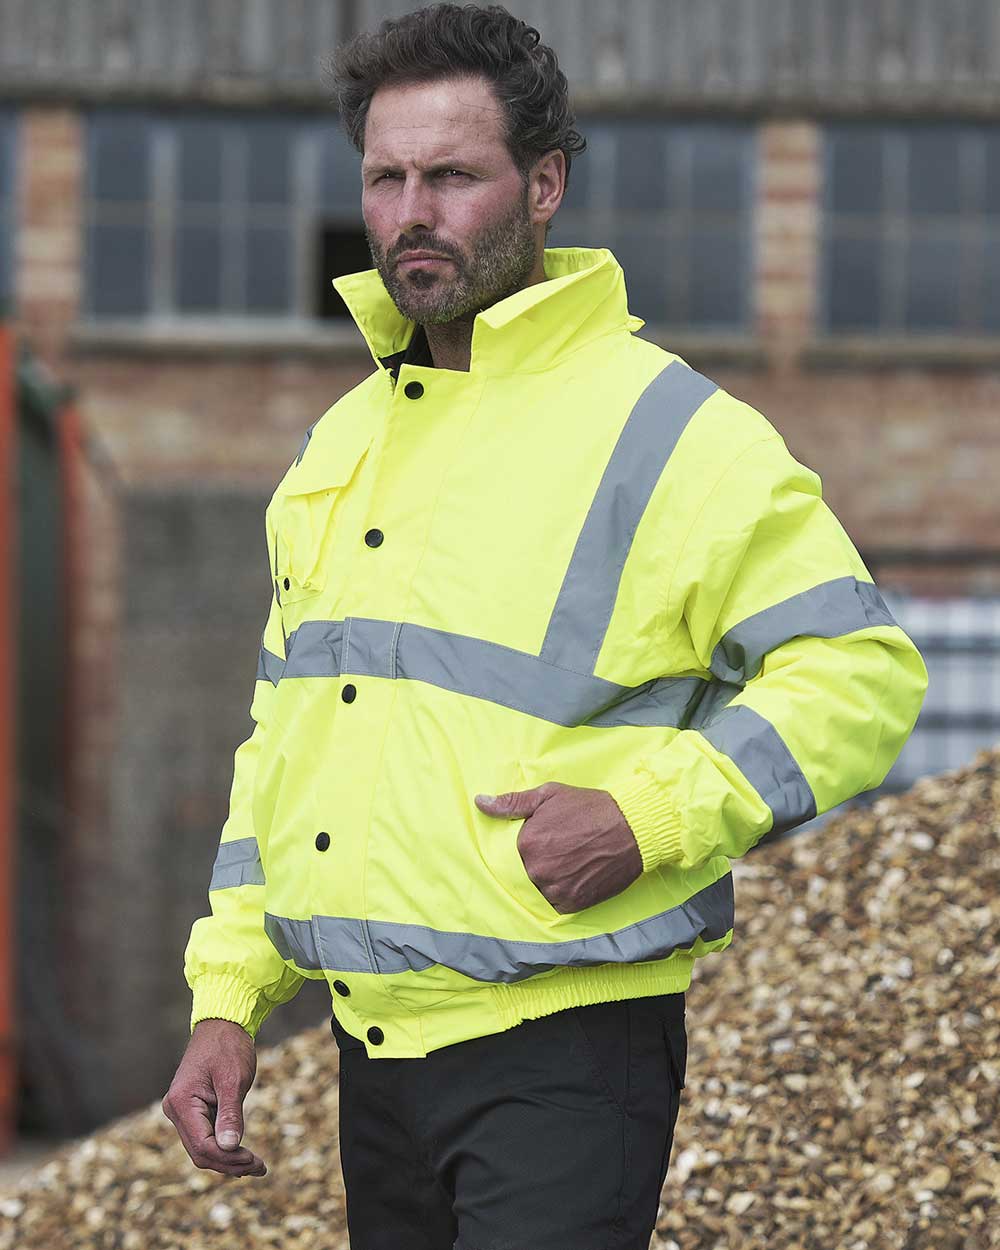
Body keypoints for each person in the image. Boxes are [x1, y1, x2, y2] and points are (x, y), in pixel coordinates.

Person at [162, 5, 928, 1247]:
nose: (413, 211)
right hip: (378, 1059)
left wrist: (650, 815)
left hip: (565, 1054)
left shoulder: (670, 431)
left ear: (544, 184)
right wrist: (228, 997)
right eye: (387, 176)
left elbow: (859, 671)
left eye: (453, 175)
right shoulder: (345, 443)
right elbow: (287, 742)